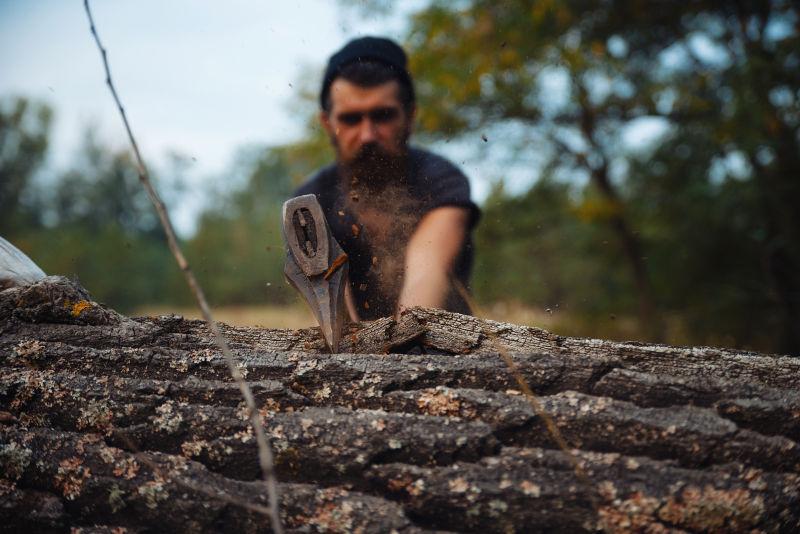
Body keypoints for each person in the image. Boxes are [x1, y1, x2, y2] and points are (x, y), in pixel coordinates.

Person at [293, 36, 480, 321]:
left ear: (410, 117)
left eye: (382, 116)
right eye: (351, 119)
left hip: (444, 344)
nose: (368, 135)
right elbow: (336, 321)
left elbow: (425, 282)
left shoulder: (441, 180)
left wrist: (403, 341)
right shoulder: (310, 203)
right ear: (327, 124)